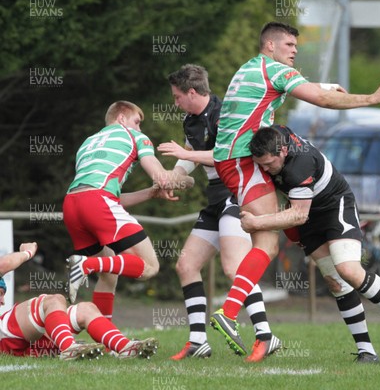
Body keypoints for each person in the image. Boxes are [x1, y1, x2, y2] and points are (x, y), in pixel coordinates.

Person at [209, 21, 380, 355]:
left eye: (296, 46)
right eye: (288, 45)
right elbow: (321, 100)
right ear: (269, 46)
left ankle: (261, 333)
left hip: (232, 161)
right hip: (241, 161)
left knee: (283, 233)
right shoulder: (275, 71)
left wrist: (325, 84)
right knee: (267, 243)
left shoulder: (252, 69)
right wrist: (371, 97)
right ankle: (228, 312)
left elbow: (290, 92)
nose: (294, 51)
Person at [241, 125, 380, 362]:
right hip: (308, 213)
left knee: (348, 270)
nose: (265, 170)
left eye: (268, 164)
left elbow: (298, 215)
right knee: (335, 282)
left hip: (334, 207)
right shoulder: (274, 137)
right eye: (260, 164)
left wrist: (257, 223)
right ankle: (367, 352)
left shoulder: (300, 165)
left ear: (283, 151)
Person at [157, 64, 280, 362]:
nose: (175, 103)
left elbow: (220, 154)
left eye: (177, 97)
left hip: (236, 194)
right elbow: (190, 153)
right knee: (186, 265)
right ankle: (198, 341)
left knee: (235, 268)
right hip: (215, 199)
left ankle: (265, 336)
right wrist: (173, 177)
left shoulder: (224, 115)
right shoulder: (190, 119)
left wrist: (185, 155)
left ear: (192, 92)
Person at [63, 100, 194, 319]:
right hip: (97, 201)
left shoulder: (88, 143)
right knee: (149, 266)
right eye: (137, 121)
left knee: (109, 274)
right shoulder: (134, 136)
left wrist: (151, 192)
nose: (140, 128)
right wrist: (185, 178)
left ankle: (106, 340)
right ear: (122, 119)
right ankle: (86, 265)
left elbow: (109, 196)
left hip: (72, 205)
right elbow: (162, 177)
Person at [0, 242, 158, 360]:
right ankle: (69, 348)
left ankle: (124, 347)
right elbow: (3, 264)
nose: (3, 300)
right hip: (5, 336)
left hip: (30, 346)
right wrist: (27, 252)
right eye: (0, 293)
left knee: (86, 309)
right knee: (54, 300)